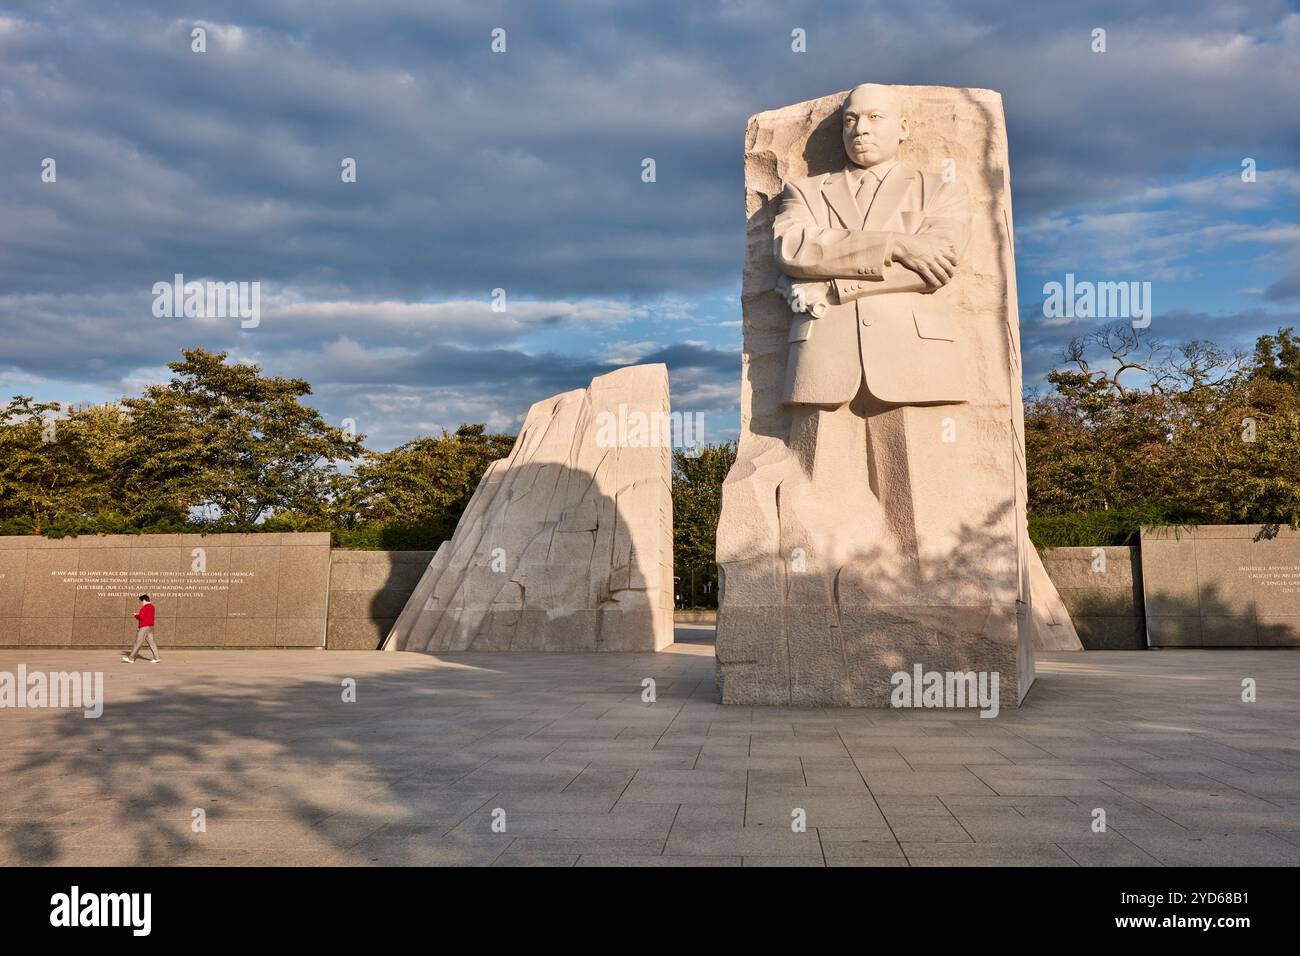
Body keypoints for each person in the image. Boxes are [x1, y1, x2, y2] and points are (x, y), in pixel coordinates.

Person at [123, 594, 160, 663]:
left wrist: (136, 615)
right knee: (151, 642)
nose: (141, 603)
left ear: (144, 600)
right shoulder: (152, 607)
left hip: (144, 627)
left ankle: (131, 658)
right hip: (150, 627)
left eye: (141, 601)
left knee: (138, 642)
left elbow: (141, 617)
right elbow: (146, 616)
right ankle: (157, 658)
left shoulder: (145, 607)